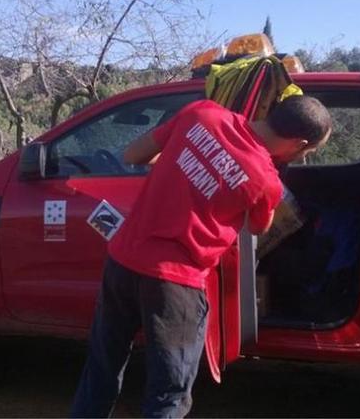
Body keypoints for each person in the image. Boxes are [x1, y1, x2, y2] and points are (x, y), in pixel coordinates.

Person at [70, 95, 332, 418]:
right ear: (299, 144)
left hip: (123, 261)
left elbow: (133, 154)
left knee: (101, 367)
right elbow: (255, 226)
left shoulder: (201, 113)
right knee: (168, 394)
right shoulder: (266, 182)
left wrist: (184, 162)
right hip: (176, 284)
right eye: (307, 152)